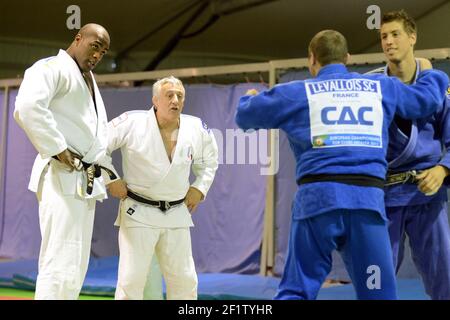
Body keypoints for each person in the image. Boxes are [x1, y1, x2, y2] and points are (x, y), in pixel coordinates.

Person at [235, 30, 448, 300]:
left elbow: (245, 117)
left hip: (317, 205)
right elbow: (425, 101)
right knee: (378, 292)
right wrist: (431, 73)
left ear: (312, 59)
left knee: (296, 292)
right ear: (347, 58)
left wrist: (249, 97)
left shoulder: (297, 92)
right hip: (367, 206)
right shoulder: (381, 87)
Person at [14, 24, 114, 299]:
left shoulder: (88, 80)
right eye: (95, 46)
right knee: (59, 258)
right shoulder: (50, 68)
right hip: (61, 174)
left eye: (103, 52)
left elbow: (97, 135)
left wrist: (109, 174)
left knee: (75, 263)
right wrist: (58, 148)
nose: (97, 55)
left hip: (84, 179)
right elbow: (28, 106)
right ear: (78, 38)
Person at [105, 76, 219, 300]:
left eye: (180, 96)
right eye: (169, 95)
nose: (175, 100)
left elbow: (210, 161)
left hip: (176, 213)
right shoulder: (132, 122)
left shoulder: (196, 127)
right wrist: (111, 178)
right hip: (138, 211)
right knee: (131, 279)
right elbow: (99, 145)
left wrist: (199, 187)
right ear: (155, 100)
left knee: (185, 279)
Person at [370, 10, 450, 300]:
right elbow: (322, 91)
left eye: (395, 34)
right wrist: (268, 96)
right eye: (383, 36)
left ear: (412, 37)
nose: (388, 41)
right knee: (376, 280)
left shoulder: (439, 86)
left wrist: (443, 170)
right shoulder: (370, 86)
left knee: (445, 277)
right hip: (383, 197)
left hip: (425, 195)